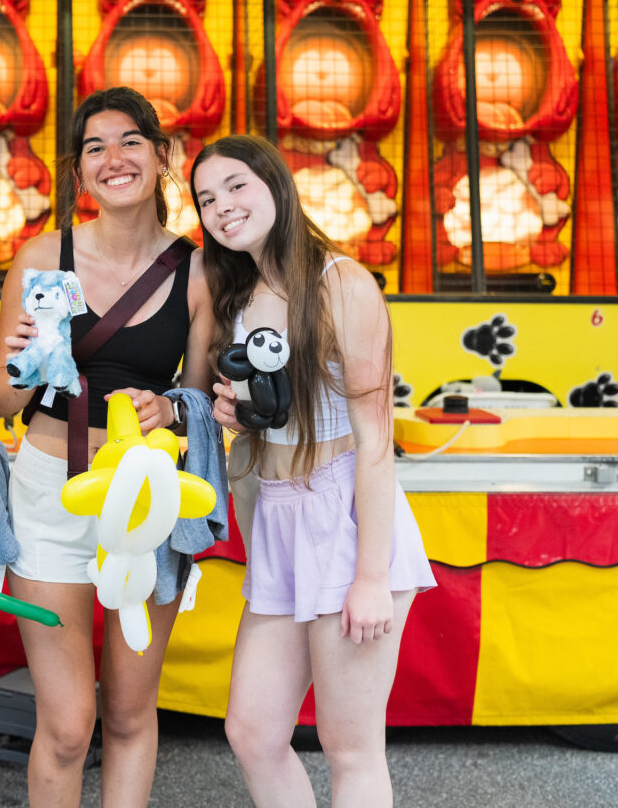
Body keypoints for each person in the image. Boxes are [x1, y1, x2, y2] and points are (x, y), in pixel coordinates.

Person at [0, 86, 216, 808]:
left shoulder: (199, 270)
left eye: (129, 141)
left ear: (161, 156)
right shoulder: (41, 256)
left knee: (126, 711)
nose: (113, 158)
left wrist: (170, 408)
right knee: (65, 724)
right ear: (80, 172)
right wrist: (20, 362)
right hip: (48, 487)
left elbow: (201, 405)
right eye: (94, 147)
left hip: (144, 497)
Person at [190, 134, 436, 808]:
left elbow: (376, 441)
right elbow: (258, 436)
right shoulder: (236, 298)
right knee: (252, 730)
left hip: (346, 517)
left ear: (275, 183)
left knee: (350, 745)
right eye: (207, 198)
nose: (223, 207)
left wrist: (372, 576)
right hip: (278, 515)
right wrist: (236, 423)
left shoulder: (341, 283)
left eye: (236, 186)